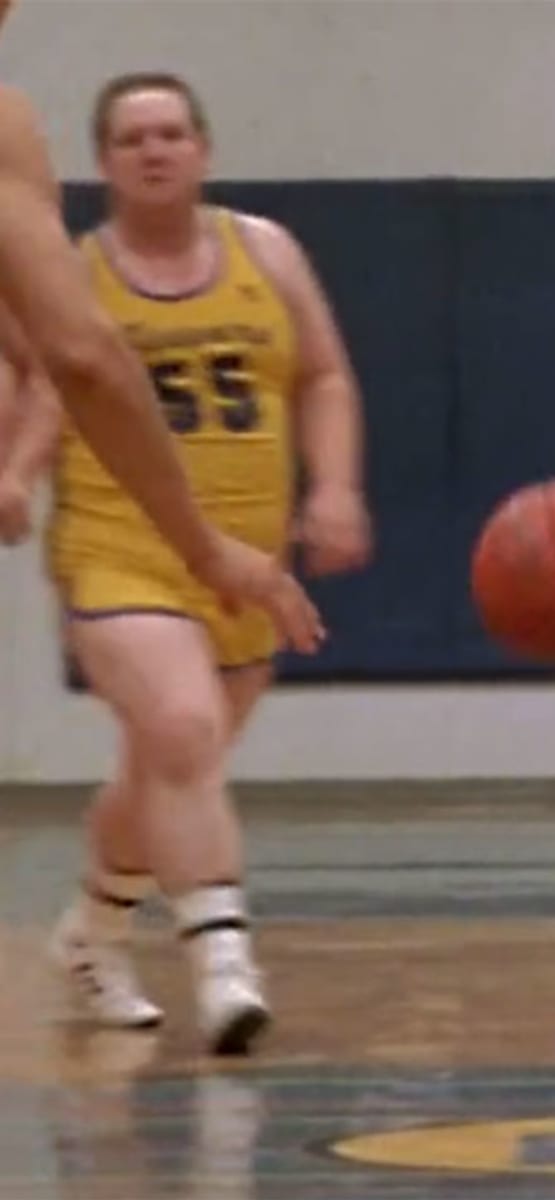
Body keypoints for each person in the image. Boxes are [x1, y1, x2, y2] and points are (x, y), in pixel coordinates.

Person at [7, 71, 371, 1055]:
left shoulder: (267, 252)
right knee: (181, 724)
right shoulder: (67, 264)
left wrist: (336, 488)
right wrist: (19, 472)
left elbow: (325, 374)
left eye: (171, 132)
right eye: (132, 138)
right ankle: (223, 966)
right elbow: (56, 378)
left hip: (249, 556)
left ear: (204, 148)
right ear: (101, 162)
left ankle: (93, 931)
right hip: (122, 548)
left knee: (170, 764)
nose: (154, 151)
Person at [0, 0, 321, 652]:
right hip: (125, 546)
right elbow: (80, 359)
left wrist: (19, 468)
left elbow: (36, 363)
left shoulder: (262, 249)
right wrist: (203, 548)